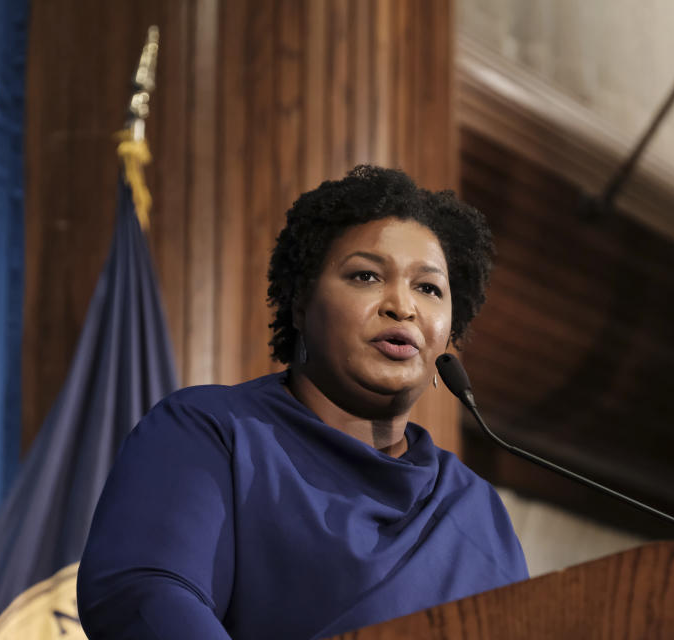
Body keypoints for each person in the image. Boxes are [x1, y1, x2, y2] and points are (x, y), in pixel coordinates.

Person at [77, 165, 528, 639]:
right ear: (300, 304)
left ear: (450, 331)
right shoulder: (211, 431)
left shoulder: (476, 509)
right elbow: (146, 592)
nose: (403, 305)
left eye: (429, 288)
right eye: (366, 276)